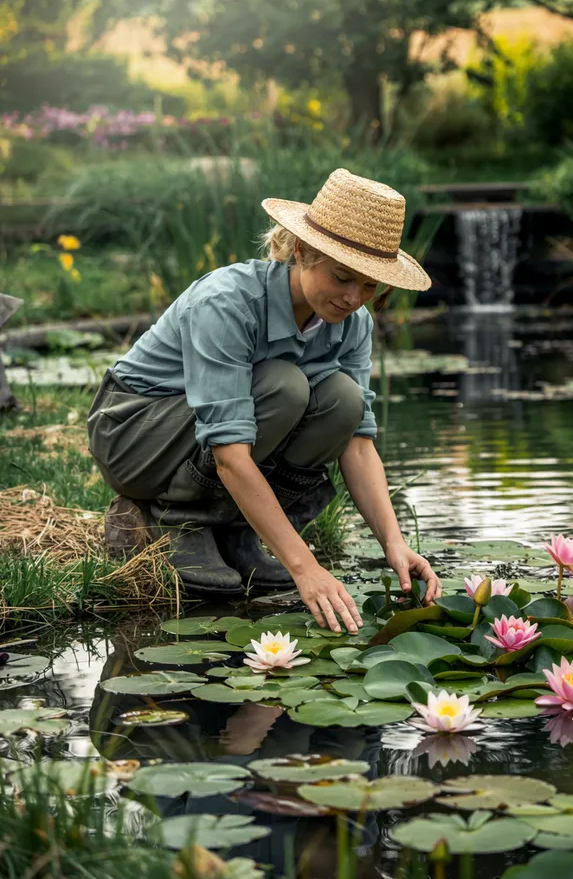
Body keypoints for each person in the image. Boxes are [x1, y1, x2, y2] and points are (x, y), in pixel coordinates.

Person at [87, 167, 442, 633]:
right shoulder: (227, 302)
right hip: (136, 434)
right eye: (341, 277)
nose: (354, 298)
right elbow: (231, 453)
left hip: (205, 441)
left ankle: (237, 533)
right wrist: (304, 567)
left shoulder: (354, 323)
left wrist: (393, 542)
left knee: (344, 400)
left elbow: (357, 444)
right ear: (301, 251)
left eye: (370, 286)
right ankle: (184, 523)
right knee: (283, 385)